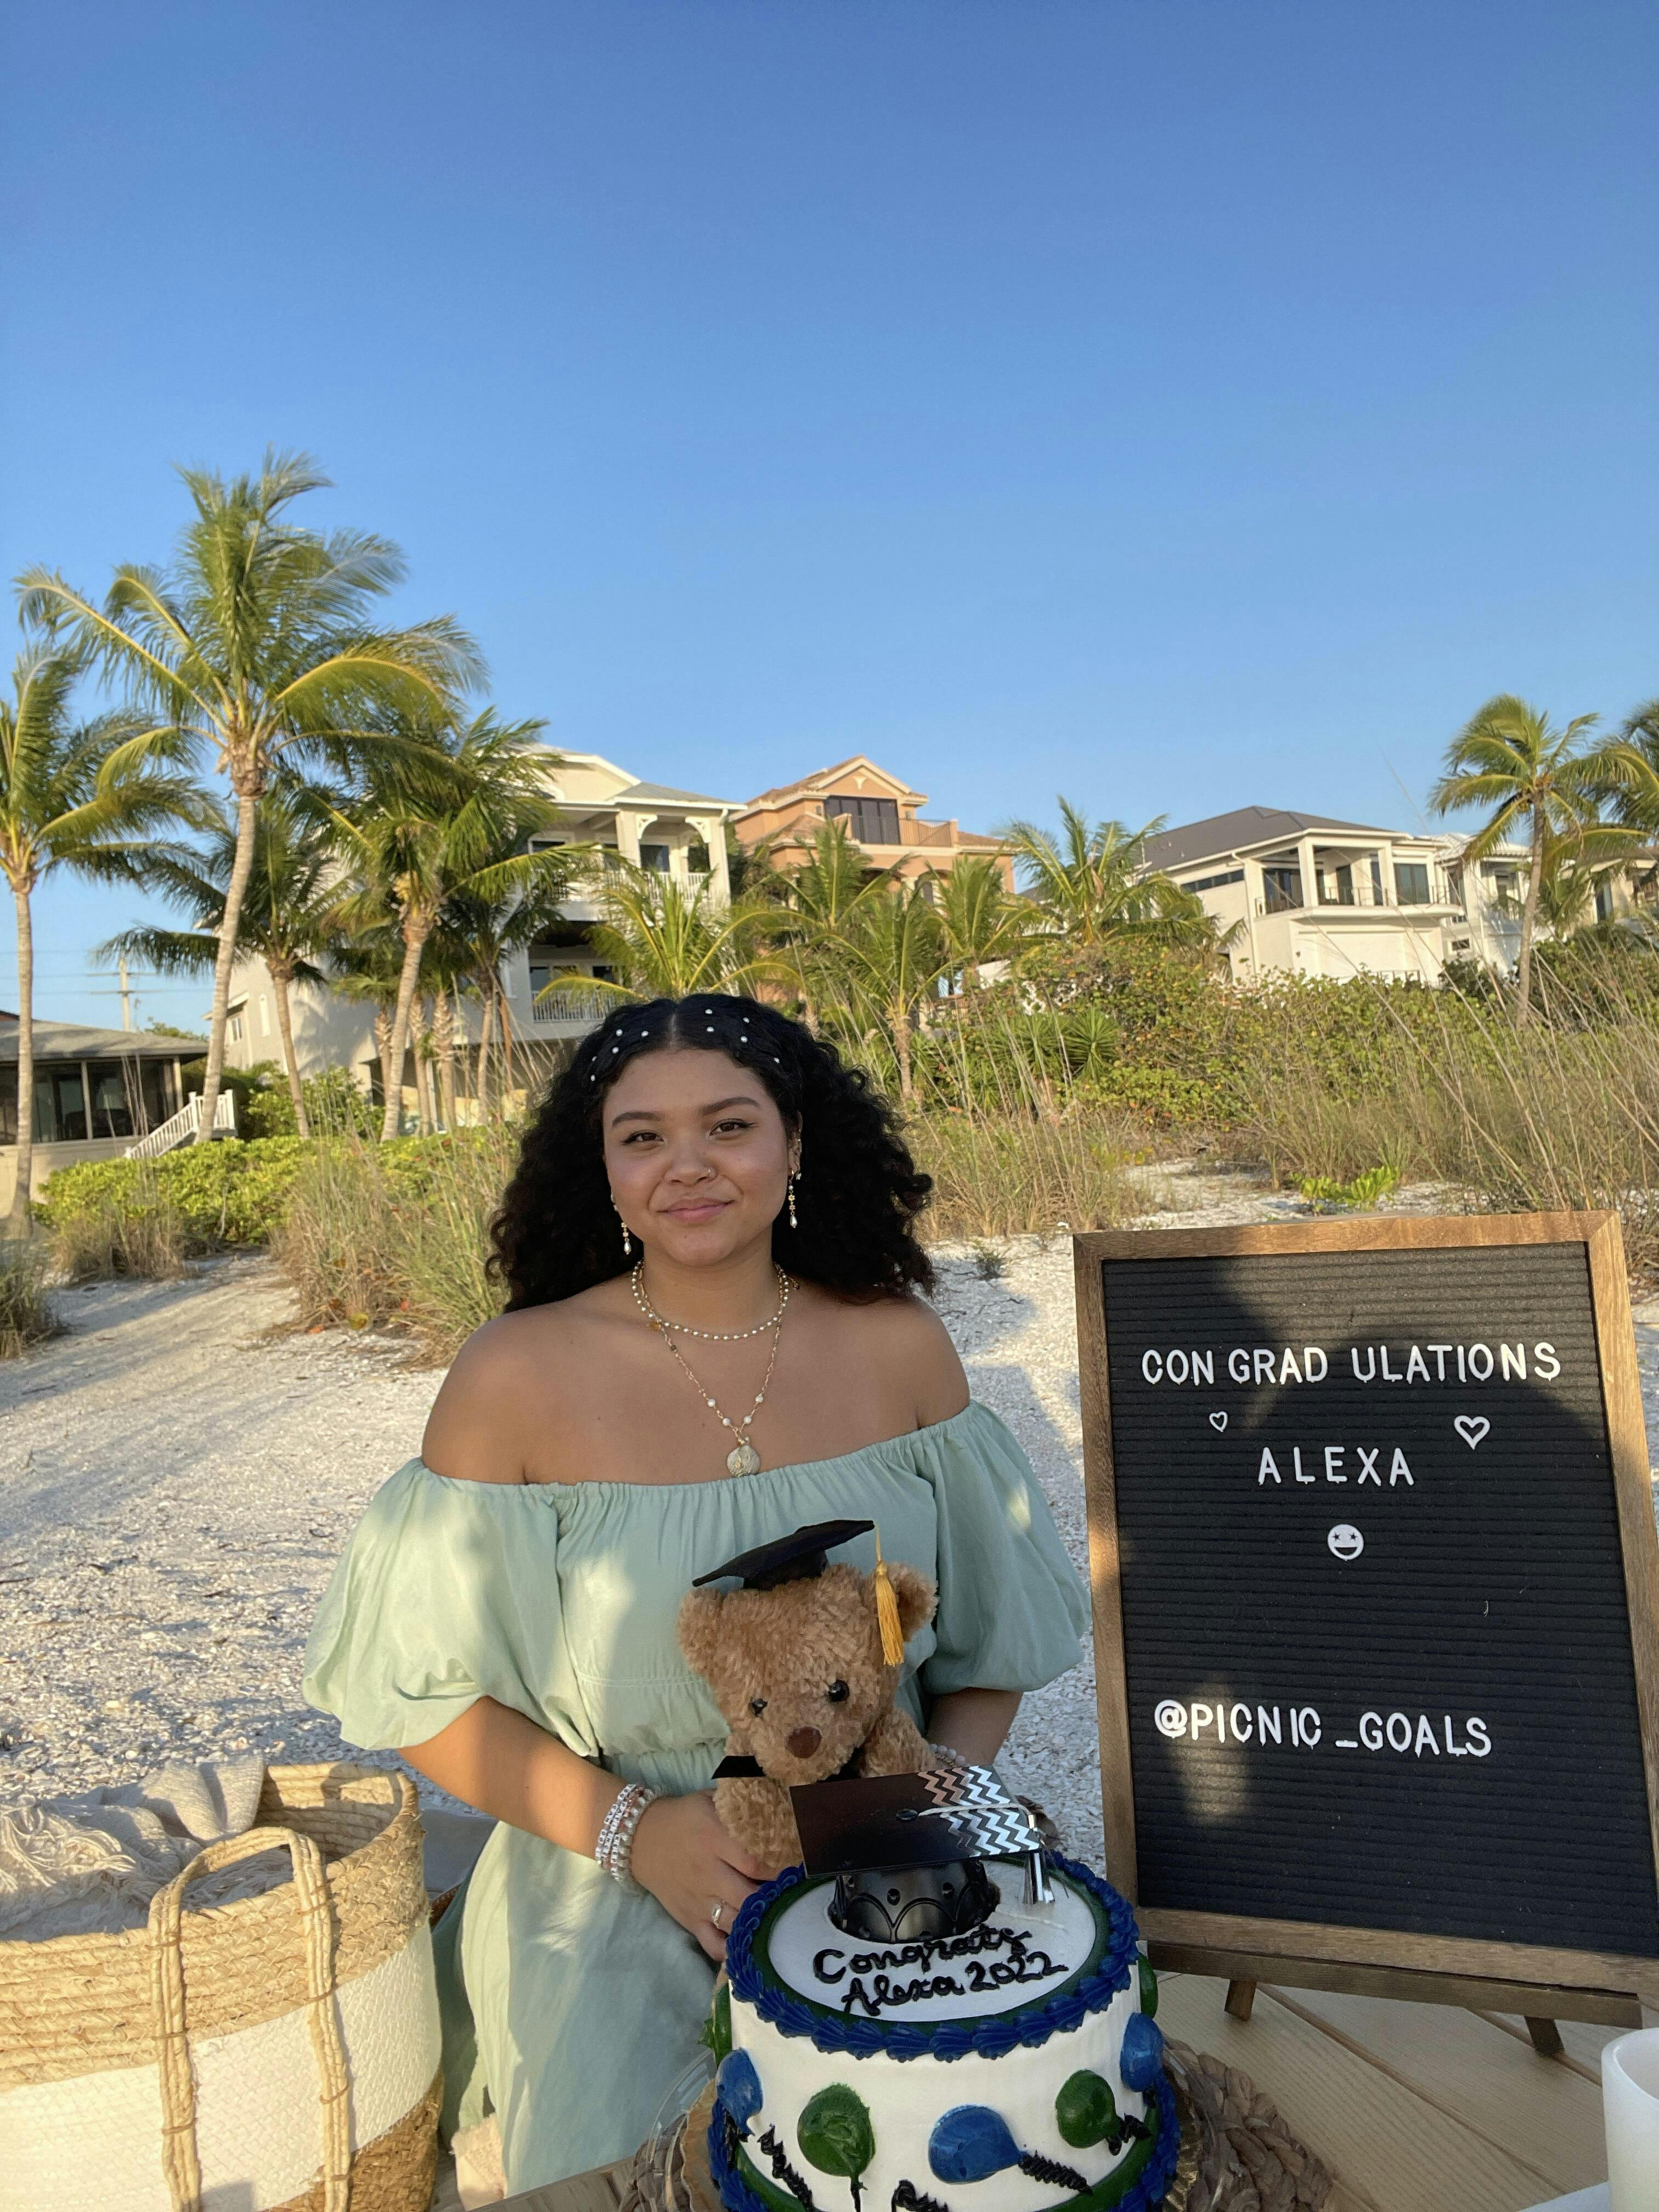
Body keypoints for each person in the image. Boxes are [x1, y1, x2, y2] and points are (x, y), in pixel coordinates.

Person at [302, 994, 1091, 2191]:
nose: (688, 1166)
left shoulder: (902, 1348)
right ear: (603, 1167)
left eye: (729, 1126)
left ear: (794, 1141)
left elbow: (991, 1651)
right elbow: (419, 1697)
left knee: (990, 2140)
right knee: (653, 2168)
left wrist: (918, 1803)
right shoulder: (511, 1377)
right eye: (643, 1137)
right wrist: (639, 1835)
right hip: (608, 1872)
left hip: (888, 1858)